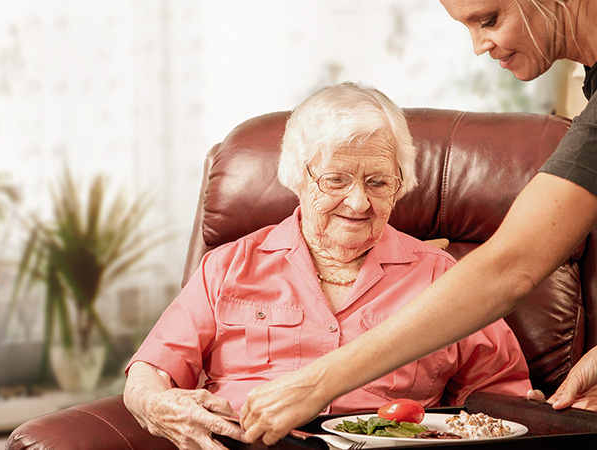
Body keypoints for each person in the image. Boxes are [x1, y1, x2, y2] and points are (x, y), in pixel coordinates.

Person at [239, 0, 597, 445]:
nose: (478, 46)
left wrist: (316, 383)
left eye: (490, 19)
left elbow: (511, 268)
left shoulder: (434, 270)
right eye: (334, 179)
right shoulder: (228, 263)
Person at [123, 82, 532, 450]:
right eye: (336, 180)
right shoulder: (229, 266)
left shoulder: (444, 277)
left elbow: (500, 395)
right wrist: (156, 403)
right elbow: (150, 372)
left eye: (378, 182)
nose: (358, 203)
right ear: (296, 177)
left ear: (400, 184)